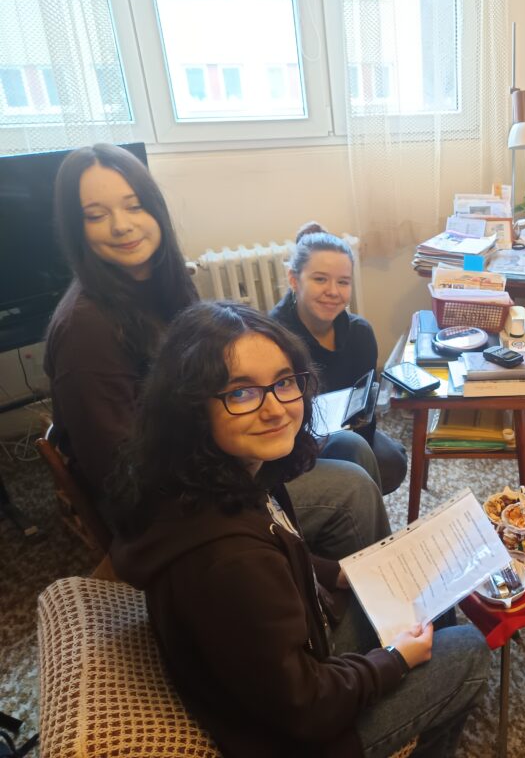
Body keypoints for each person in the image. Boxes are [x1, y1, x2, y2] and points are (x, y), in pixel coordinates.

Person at [109, 302, 490, 758]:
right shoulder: (229, 560)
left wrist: (336, 573)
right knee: (468, 650)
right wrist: (393, 662)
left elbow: (277, 546)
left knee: (420, 592)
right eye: (241, 392)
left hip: (298, 656)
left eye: (284, 382)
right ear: (191, 407)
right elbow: (307, 709)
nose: (275, 409)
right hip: (299, 736)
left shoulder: (220, 478)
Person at [43, 143, 381, 557]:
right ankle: (322, 580)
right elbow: (126, 479)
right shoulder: (84, 332)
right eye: (96, 215)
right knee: (351, 491)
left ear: (155, 209)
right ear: (76, 228)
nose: (121, 226)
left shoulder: (166, 288)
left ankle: (338, 567)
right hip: (179, 504)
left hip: (216, 455)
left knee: (351, 446)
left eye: (134, 206)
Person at [271, 222, 408, 495]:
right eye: (320, 279)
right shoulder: (275, 341)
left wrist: (360, 452)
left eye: (343, 282)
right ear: (294, 280)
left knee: (392, 463)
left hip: (344, 433)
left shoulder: (360, 333)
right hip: (292, 447)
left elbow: (365, 411)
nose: (333, 291)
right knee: (352, 473)